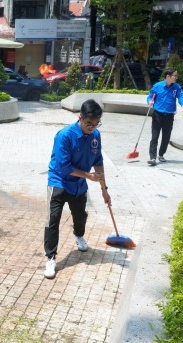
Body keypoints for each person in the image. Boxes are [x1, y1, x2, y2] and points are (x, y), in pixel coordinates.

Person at [44, 99, 111, 279]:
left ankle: (79, 236)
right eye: (89, 123)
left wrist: (105, 189)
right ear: (80, 118)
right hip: (58, 181)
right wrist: (90, 177)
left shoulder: (96, 136)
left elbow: (98, 162)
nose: (92, 127)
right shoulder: (64, 135)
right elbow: (65, 167)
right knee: (53, 219)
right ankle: (50, 257)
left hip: (79, 184)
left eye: (96, 123)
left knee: (80, 216)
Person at [146, 67, 183, 166]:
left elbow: (181, 96)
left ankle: (161, 154)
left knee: (166, 137)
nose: (176, 77)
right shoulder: (157, 86)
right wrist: (150, 101)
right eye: (175, 75)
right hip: (157, 115)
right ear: (168, 76)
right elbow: (150, 96)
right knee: (154, 137)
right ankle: (152, 158)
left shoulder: (176, 87)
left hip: (169, 116)